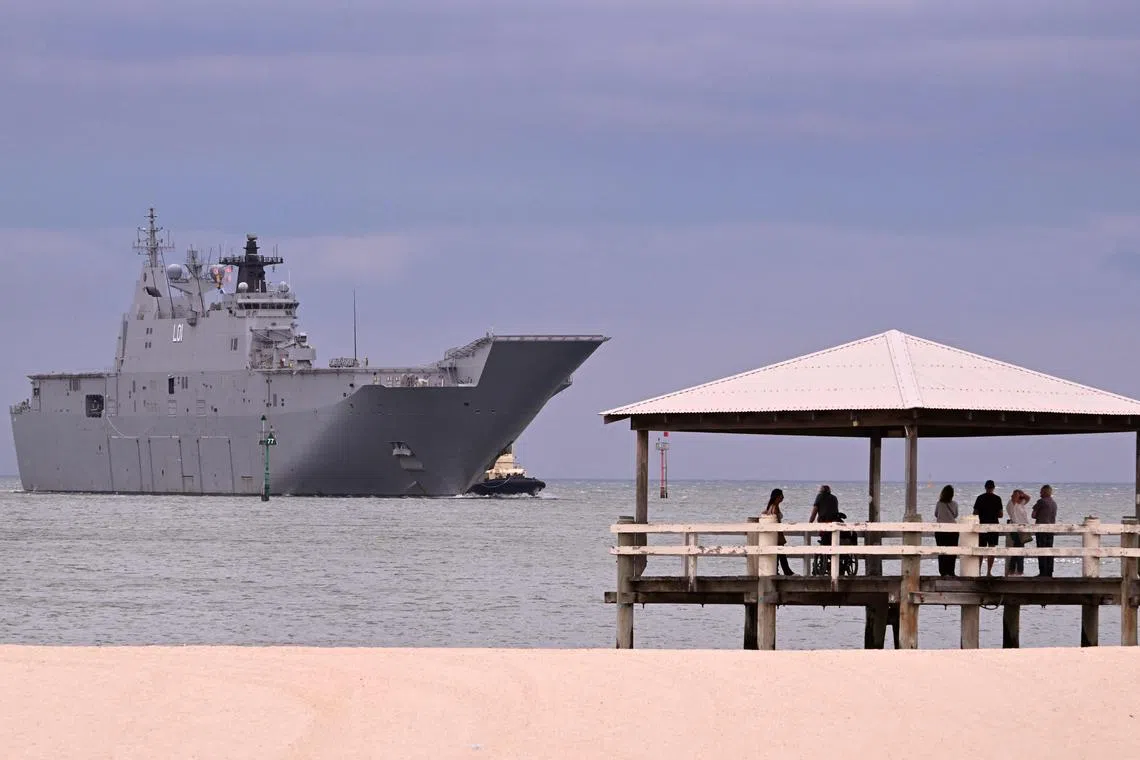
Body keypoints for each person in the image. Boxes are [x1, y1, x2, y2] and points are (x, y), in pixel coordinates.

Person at [972, 479, 1004, 576]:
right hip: (994, 525)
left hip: (982, 525)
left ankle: (978, 571)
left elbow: (975, 513)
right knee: (991, 549)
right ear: (993, 488)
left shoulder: (980, 498)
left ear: (985, 487)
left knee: (981, 549)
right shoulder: (998, 499)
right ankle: (989, 572)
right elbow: (1001, 515)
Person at [763, 488, 796, 576]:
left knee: (779, 553)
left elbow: (765, 514)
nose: (783, 497)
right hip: (777, 532)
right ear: (777, 497)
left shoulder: (771, 506)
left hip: (775, 532)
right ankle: (786, 571)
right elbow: (776, 520)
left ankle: (779, 570)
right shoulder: (774, 507)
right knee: (780, 552)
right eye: (781, 495)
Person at [1031, 484, 1058, 577]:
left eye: (1041, 491)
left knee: (1041, 551)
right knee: (1049, 551)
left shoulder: (1041, 502)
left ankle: (1042, 572)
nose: (1040, 493)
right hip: (1051, 530)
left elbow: (1033, 515)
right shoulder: (1054, 503)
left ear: (1044, 492)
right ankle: (1049, 572)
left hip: (1041, 530)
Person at [1005, 488, 1032, 576]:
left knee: (1019, 549)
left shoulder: (1020, 504)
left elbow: (1028, 498)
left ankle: (1013, 570)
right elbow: (1015, 498)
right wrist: (1017, 494)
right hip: (1016, 529)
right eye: (1017, 495)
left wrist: (1022, 494)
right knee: (1018, 550)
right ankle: (1018, 571)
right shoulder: (1011, 504)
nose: (1019, 497)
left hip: (1023, 528)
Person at [934, 485, 959, 577]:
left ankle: (943, 572)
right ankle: (951, 571)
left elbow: (936, 514)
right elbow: (956, 515)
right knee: (952, 552)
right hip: (953, 531)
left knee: (941, 551)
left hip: (940, 531)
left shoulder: (939, 504)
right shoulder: (955, 504)